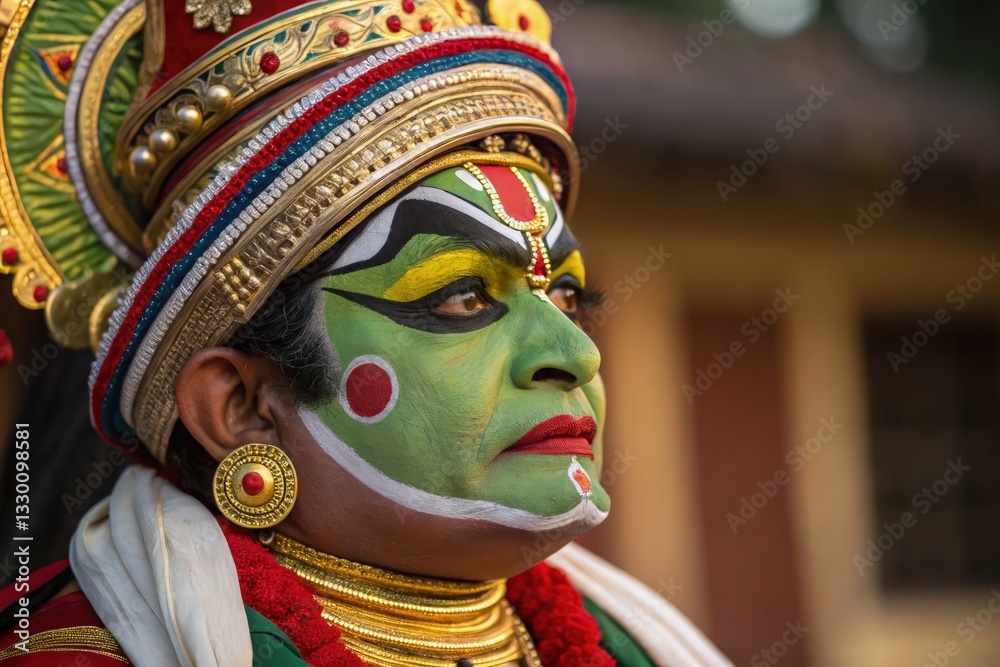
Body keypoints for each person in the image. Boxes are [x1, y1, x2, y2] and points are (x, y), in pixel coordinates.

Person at [0, 0, 732, 664]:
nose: (574, 353)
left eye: (568, 295)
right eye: (462, 296)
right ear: (243, 405)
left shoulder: (635, 647)